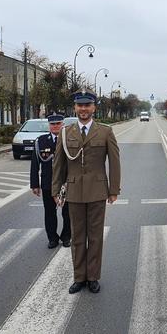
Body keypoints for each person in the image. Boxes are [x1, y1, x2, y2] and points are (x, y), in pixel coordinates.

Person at [52, 88, 121, 295]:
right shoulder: (65, 133)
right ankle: (79, 277)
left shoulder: (105, 131)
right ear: (75, 107)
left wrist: (113, 189)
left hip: (98, 191)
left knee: (96, 237)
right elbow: (58, 164)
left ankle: (93, 277)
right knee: (77, 237)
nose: (83, 109)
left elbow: (115, 162)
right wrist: (56, 189)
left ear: (93, 107)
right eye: (80, 105)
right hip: (73, 191)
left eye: (87, 105)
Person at [30, 111, 71, 249]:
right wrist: (35, 184)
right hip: (47, 183)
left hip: (66, 183)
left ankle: (66, 236)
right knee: (49, 213)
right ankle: (52, 238)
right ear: (49, 125)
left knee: (68, 213)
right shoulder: (40, 141)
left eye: (58, 123)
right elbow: (35, 164)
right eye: (52, 124)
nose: (55, 126)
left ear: (63, 124)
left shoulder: (70, 139)